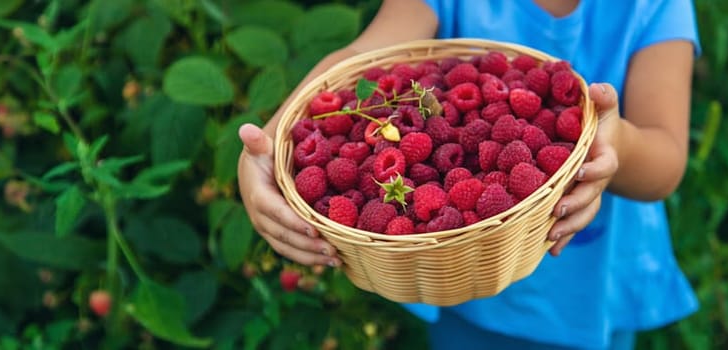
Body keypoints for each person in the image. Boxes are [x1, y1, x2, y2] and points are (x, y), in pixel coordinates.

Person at [234, 0, 700, 348]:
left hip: (589, 294)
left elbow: (665, 160)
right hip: (451, 282)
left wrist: (611, 141)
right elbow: (366, 57)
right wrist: (267, 147)